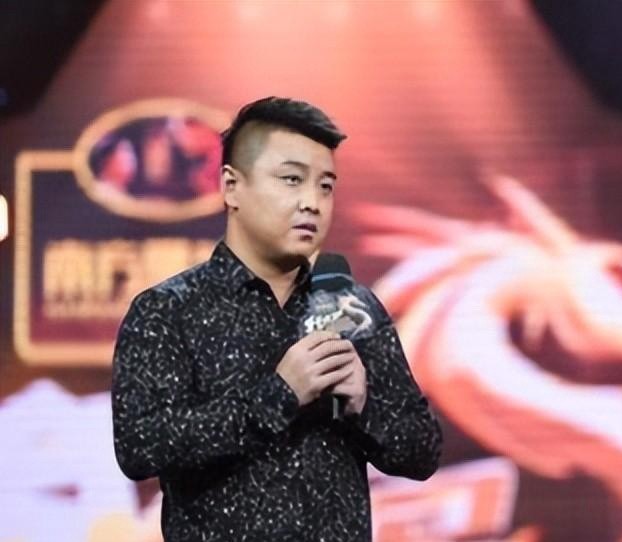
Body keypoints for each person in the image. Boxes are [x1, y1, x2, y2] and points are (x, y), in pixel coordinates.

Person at [111, 97, 442, 541]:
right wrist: (279, 395)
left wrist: (364, 407)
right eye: (292, 180)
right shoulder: (167, 311)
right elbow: (140, 447)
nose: (313, 203)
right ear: (231, 187)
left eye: (326, 186)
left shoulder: (352, 307)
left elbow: (423, 452)